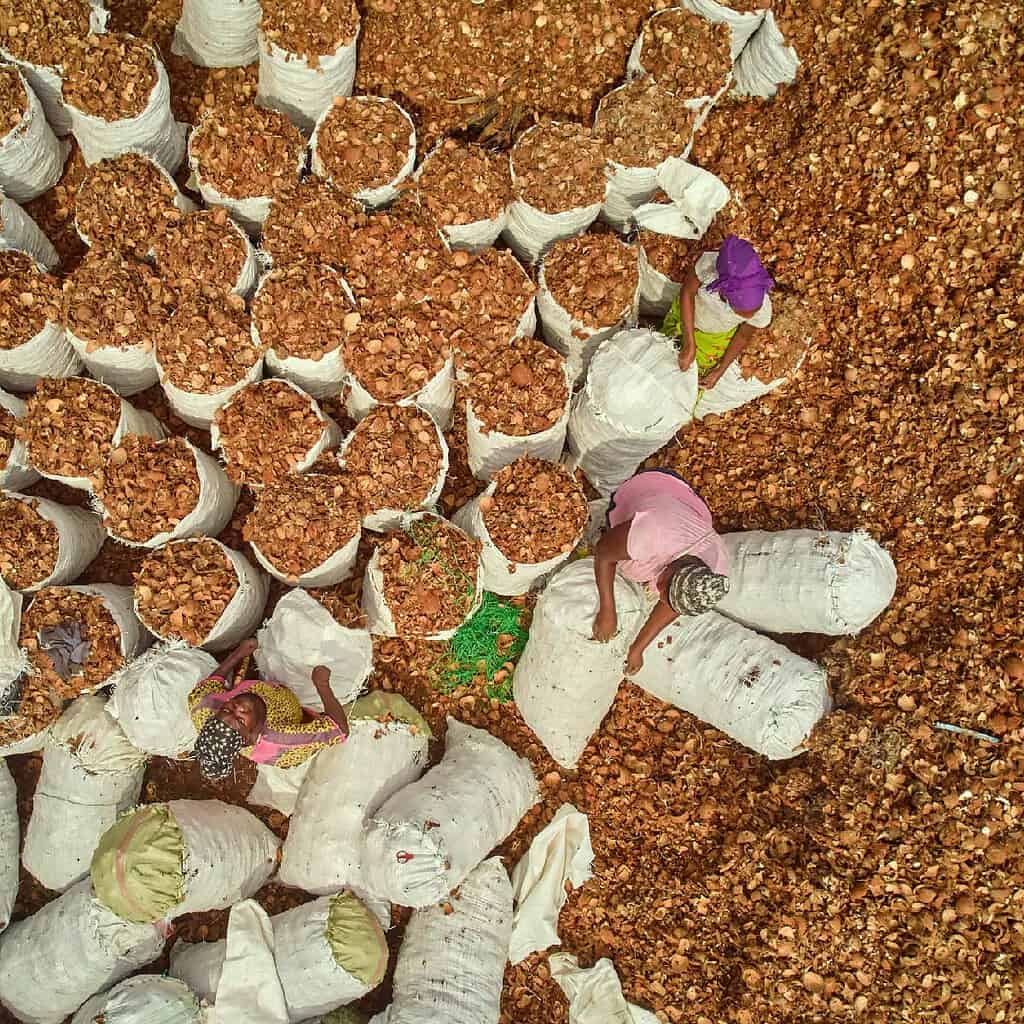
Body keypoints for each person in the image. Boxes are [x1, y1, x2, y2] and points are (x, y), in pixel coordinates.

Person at [591, 469, 730, 674]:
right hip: (653, 487)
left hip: (687, 510)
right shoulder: (654, 534)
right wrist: (607, 610)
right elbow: (603, 552)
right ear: (678, 565)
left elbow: (673, 604)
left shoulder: (714, 573)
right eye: (663, 588)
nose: (659, 593)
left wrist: (638, 648)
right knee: (616, 541)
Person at [188, 637, 349, 780]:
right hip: (295, 718)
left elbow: (210, 684)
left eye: (227, 710)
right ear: (248, 739)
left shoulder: (205, 709)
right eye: (240, 720)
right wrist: (322, 685)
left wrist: (239, 653)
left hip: (271, 691)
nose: (238, 708)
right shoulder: (282, 739)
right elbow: (340, 730)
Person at [663, 234, 775, 390]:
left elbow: (743, 335)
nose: (748, 316)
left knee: (689, 381)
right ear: (724, 292)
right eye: (740, 313)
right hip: (687, 315)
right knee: (663, 355)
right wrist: (690, 342)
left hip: (715, 336)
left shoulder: (762, 309)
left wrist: (720, 370)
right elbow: (687, 293)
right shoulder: (709, 267)